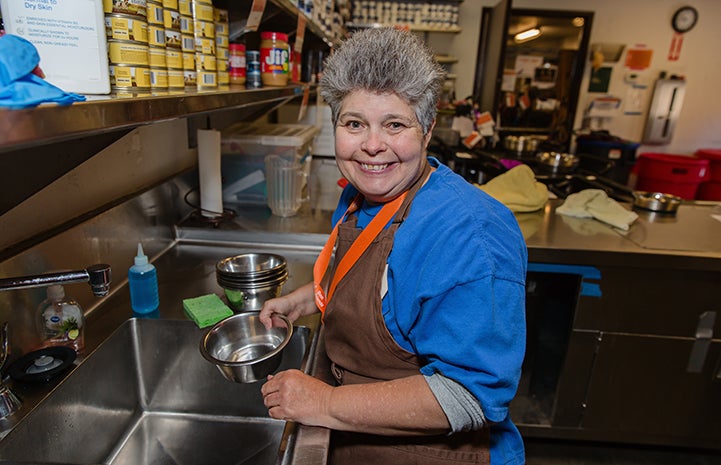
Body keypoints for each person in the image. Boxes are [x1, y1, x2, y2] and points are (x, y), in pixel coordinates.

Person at [259, 27, 527, 465]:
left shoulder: (469, 237)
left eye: (395, 124)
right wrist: (302, 300)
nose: (371, 146)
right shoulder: (363, 194)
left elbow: (469, 396)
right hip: (362, 438)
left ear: (427, 130)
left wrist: (323, 404)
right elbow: (383, 286)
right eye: (354, 123)